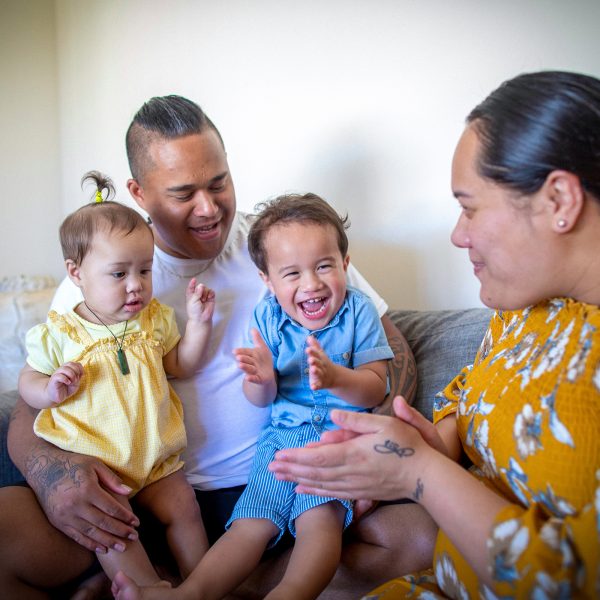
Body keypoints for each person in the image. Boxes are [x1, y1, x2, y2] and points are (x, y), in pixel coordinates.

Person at [1, 95, 430, 599]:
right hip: (135, 492)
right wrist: (55, 478)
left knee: (418, 537)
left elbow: (390, 346)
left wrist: (365, 444)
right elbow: (28, 407)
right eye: (184, 193)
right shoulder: (100, 273)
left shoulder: (286, 246)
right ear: (139, 192)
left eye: (219, 183)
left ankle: (196, 585)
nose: (208, 208)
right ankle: (187, 579)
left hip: (277, 477)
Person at [269, 70, 600, 598]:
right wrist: (418, 444)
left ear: (558, 200)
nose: (457, 233)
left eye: (469, 207)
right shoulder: (524, 311)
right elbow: (467, 403)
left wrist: (418, 474)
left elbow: (569, 579)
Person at [113, 192, 394, 599]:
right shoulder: (267, 315)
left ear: (345, 266)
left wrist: (336, 378)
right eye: (292, 274)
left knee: (319, 520)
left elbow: (376, 383)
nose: (311, 284)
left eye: (324, 266)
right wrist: (261, 379)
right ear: (267, 280)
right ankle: (189, 594)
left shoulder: (359, 312)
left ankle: (291, 592)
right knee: (250, 522)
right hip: (279, 443)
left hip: (338, 441)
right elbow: (261, 400)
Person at [18, 171, 213, 588]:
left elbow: (181, 365)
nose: (135, 286)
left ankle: (205, 584)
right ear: (76, 273)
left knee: (186, 508)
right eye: (118, 274)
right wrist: (49, 390)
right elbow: (27, 381)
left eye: (144, 271)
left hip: (156, 458)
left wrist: (198, 324)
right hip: (99, 467)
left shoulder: (154, 320)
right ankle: (143, 589)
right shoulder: (61, 333)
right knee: (114, 534)